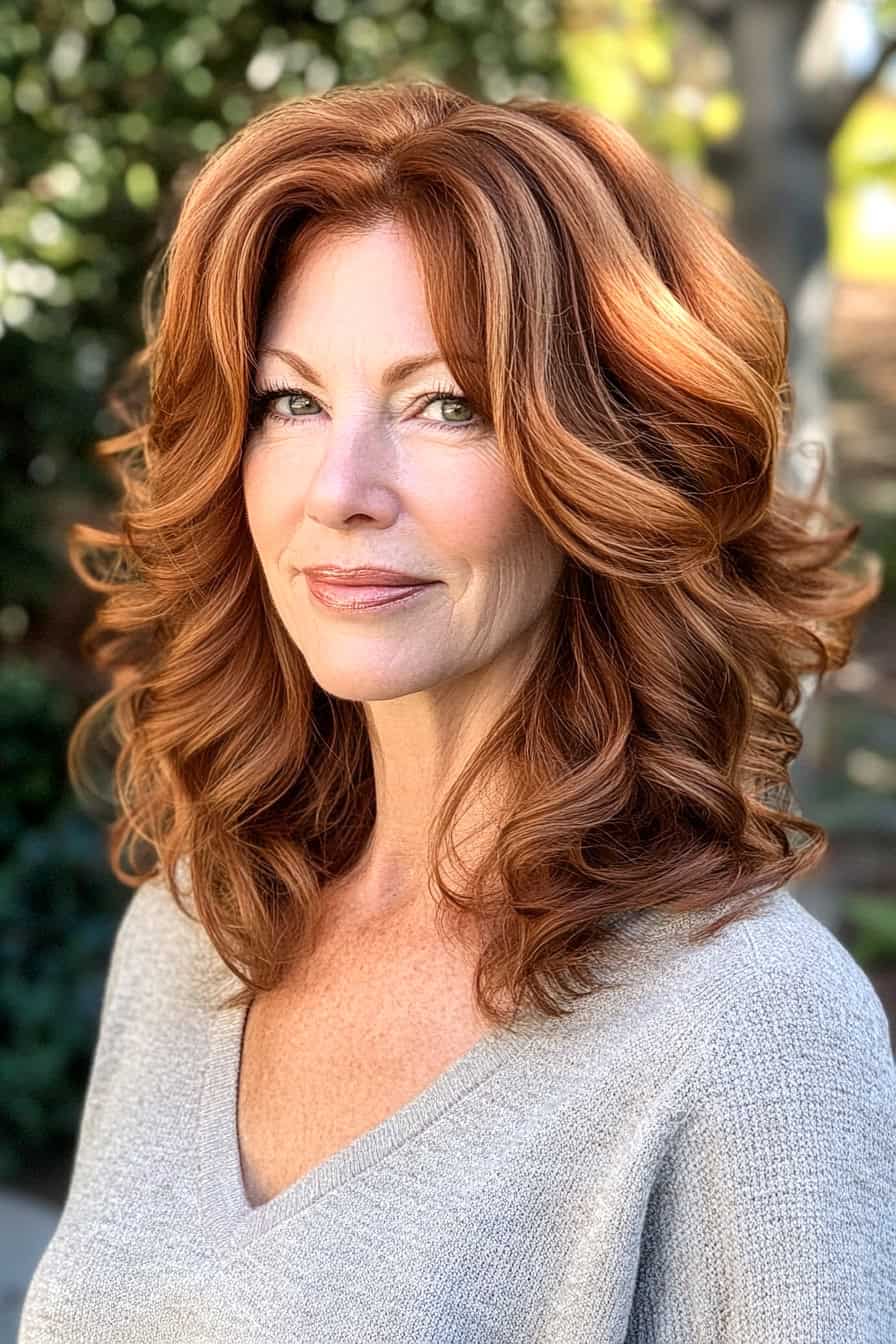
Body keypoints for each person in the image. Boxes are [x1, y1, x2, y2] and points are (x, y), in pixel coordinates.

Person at [18, 79, 895, 1342]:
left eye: (447, 405)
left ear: (605, 467)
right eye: (291, 400)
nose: (342, 487)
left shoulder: (748, 1031)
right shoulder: (195, 933)